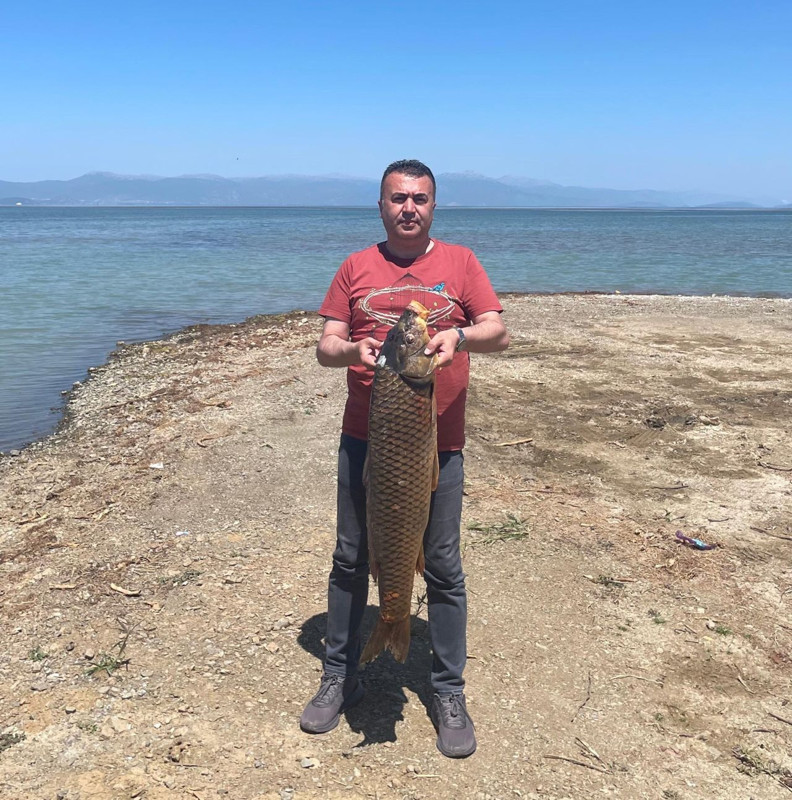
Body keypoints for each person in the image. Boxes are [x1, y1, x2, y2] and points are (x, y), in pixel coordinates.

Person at [300, 159, 509, 758]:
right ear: (382, 205)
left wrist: (460, 336)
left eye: (419, 198)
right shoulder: (356, 267)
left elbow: (497, 329)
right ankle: (340, 674)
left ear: (434, 206)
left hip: (438, 445)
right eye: (398, 198)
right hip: (367, 443)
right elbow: (326, 345)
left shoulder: (461, 263)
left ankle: (447, 690)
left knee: (441, 563)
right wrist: (351, 352)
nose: (408, 208)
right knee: (350, 555)